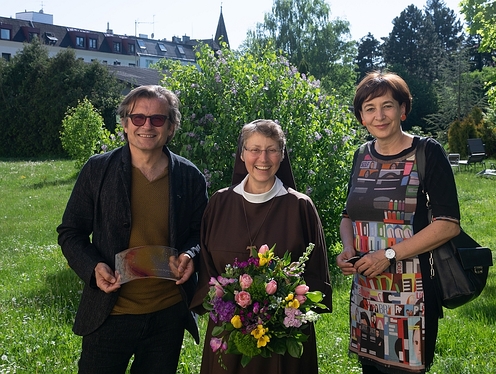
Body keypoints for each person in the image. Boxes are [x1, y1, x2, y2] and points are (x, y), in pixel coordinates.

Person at [57, 85, 208, 373]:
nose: (147, 126)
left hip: (167, 315)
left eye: (158, 119)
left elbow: (200, 233)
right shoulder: (98, 170)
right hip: (109, 313)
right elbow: (70, 232)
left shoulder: (189, 177)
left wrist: (190, 254)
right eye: (138, 118)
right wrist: (93, 267)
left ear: (171, 127)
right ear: (125, 124)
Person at [336, 71, 461, 374]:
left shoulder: (427, 152)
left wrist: (388, 255)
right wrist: (349, 249)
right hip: (367, 293)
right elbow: (348, 215)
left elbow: (448, 224)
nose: (379, 115)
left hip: (412, 295)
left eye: (387, 106)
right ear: (361, 118)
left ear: (403, 109)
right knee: (372, 369)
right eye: (370, 108)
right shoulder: (361, 156)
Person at [190, 119, 332, 374]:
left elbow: (315, 273)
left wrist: (284, 310)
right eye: (254, 149)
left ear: (282, 154)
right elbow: (207, 269)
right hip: (229, 331)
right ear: (242, 153)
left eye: (272, 149)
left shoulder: (300, 207)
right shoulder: (219, 203)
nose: (263, 158)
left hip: (283, 336)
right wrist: (231, 307)